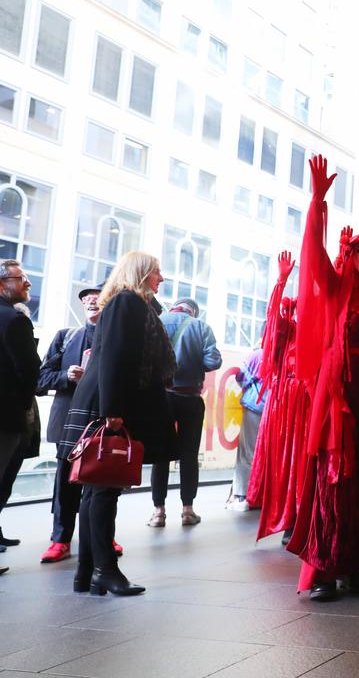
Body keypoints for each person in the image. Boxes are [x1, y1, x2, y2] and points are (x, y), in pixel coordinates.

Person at [57, 251, 176, 595]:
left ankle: (88, 573)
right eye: (157, 271)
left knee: (97, 489)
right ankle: (105, 570)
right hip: (110, 406)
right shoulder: (127, 302)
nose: (161, 278)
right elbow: (112, 359)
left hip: (109, 403)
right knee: (103, 489)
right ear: (141, 273)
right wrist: (112, 410)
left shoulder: (126, 303)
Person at [288, 154, 359, 601]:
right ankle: (324, 570)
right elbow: (311, 255)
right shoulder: (337, 285)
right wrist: (318, 205)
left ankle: (351, 567)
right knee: (333, 477)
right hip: (339, 396)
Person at [36, 284, 123, 563]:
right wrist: (66, 376)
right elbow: (41, 379)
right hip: (69, 421)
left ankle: (102, 535)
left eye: (98, 298)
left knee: (102, 480)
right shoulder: (66, 336)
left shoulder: (115, 338)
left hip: (102, 418)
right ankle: (60, 539)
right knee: (65, 483)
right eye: (87, 299)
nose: (91, 301)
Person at [250, 252, 309, 543]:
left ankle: (300, 520)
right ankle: (290, 521)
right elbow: (272, 321)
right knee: (288, 463)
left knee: (303, 463)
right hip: (286, 402)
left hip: (305, 401)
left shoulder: (314, 326)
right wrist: (281, 282)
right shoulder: (287, 327)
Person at [148, 298, 222, 528]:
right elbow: (213, 360)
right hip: (190, 398)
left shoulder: (157, 322)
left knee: (160, 455)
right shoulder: (201, 327)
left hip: (162, 398)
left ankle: (158, 512)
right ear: (194, 311)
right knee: (189, 455)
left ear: (174, 307)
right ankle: (188, 511)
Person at [0, 265, 42, 565]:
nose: (28, 282)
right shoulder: (14, 320)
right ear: (3, 284)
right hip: (6, 414)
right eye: (20, 278)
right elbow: (29, 370)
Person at [226, 347, 264, 511]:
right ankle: (263, 495)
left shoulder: (257, 355)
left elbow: (242, 378)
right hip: (276, 411)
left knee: (248, 453)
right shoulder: (285, 352)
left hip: (255, 408)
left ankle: (242, 496)